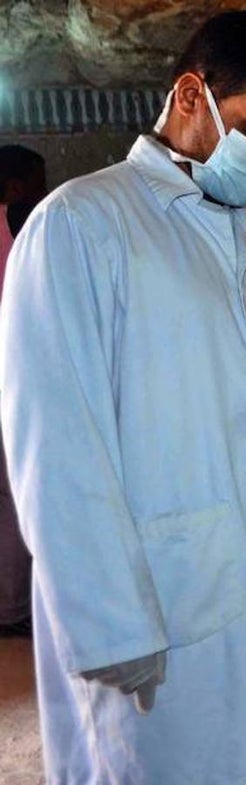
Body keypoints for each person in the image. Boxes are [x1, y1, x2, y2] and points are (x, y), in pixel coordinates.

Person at [0, 11, 246, 784]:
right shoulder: (83, 226)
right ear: (191, 95)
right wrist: (112, 626)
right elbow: (57, 448)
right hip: (150, 634)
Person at [0, 144, 45, 638]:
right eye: (36, 181)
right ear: (15, 188)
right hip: (11, 374)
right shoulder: (21, 225)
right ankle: (12, 608)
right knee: (16, 497)